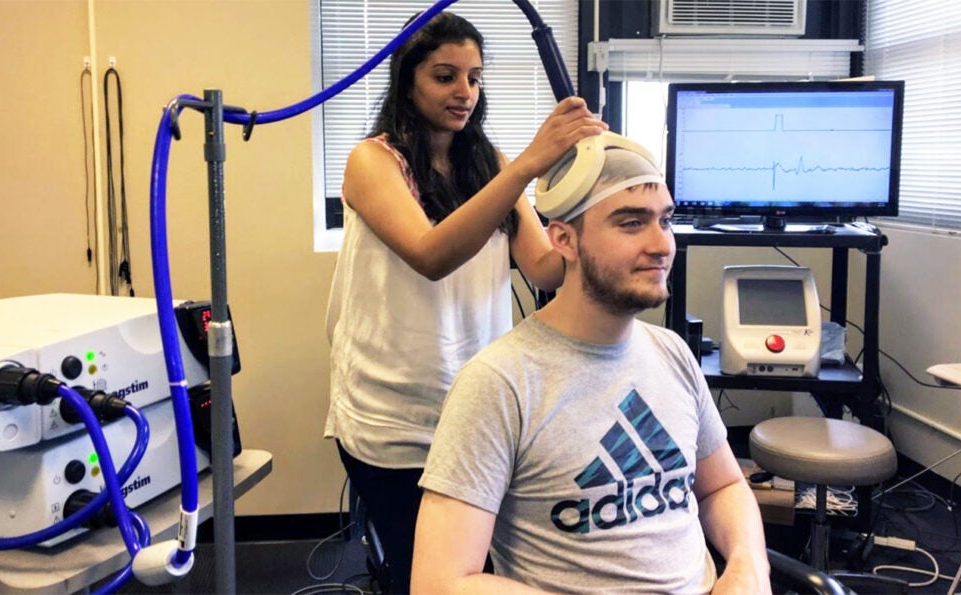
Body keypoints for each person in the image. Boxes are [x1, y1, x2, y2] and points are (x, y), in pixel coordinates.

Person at [323, 11, 609, 593]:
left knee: (475, 573)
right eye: (445, 76)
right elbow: (432, 255)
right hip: (393, 417)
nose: (465, 94)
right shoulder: (372, 161)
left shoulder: (488, 162)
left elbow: (545, 269)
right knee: (417, 574)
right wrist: (530, 163)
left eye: (474, 79)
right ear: (408, 80)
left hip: (476, 407)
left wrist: (595, 213)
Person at [412, 146, 772, 594]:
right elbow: (438, 583)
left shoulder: (673, 354)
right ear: (563, 240)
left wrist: (748, 565)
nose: (661, 245)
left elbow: (722, 488)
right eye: (632, 223)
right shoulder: (499, 383)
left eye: (665, 220)